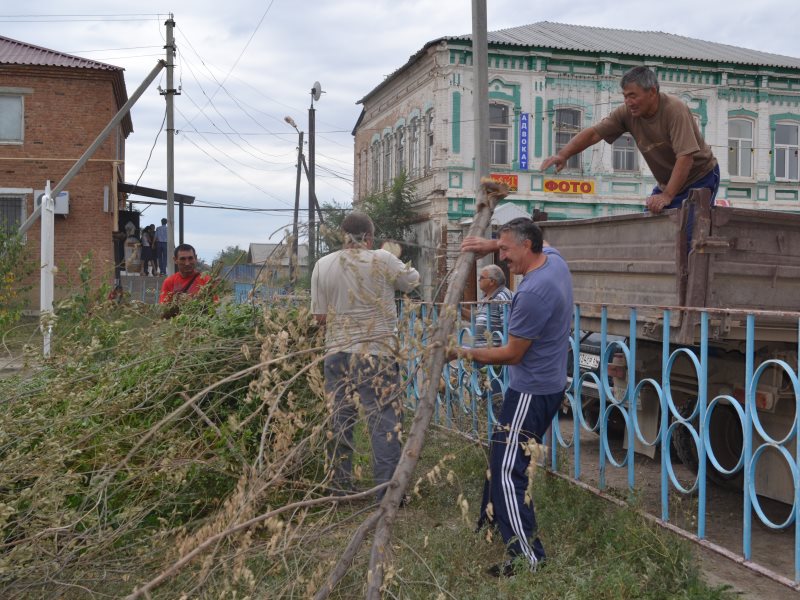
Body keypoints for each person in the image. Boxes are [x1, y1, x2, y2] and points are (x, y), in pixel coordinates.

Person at [455, 217, 573, 576]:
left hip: (531, 390)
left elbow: (512, 354)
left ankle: (527, 559)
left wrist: (460, 352)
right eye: (500, 249)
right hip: (544, 384)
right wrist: (491, 244)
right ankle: (492, 521)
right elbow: (540, 241)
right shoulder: (554, 261)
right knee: (499, 451)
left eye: (506, 250)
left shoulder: (533, 292)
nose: (503, 258)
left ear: (527, 246)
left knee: (508, 470)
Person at [311, 212, 419, 500]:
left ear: (342, 235)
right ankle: (386, 492)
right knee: (383, 422)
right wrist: (389, 253)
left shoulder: (322, 265)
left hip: (336, 352)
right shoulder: (382, 260)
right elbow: (412, 281)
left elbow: (319, 317)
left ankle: (339, 486)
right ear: (369, 237)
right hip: (377, 352)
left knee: (339, 420)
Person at [540, 66, 719, 214]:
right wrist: (564, 154)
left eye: (633, 96)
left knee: (689, 232)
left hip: (700, 177)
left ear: (652, 92)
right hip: (668, 183)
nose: (628, 102)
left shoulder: (675, 110)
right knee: (647, 230)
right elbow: (595, 133)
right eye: (625, 96)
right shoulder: (626, 113)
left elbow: (685, 158)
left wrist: (667, 196)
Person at [468, 264, 512, 401]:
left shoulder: (502, 296)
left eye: (482, 277)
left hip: (495, 357)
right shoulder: (485, 298)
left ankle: (497, 420)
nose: (479, 280)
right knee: (483, 395)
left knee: (496, 397)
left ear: (492, 281)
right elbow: (478, 319)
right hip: (482, 355)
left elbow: (508, 325)